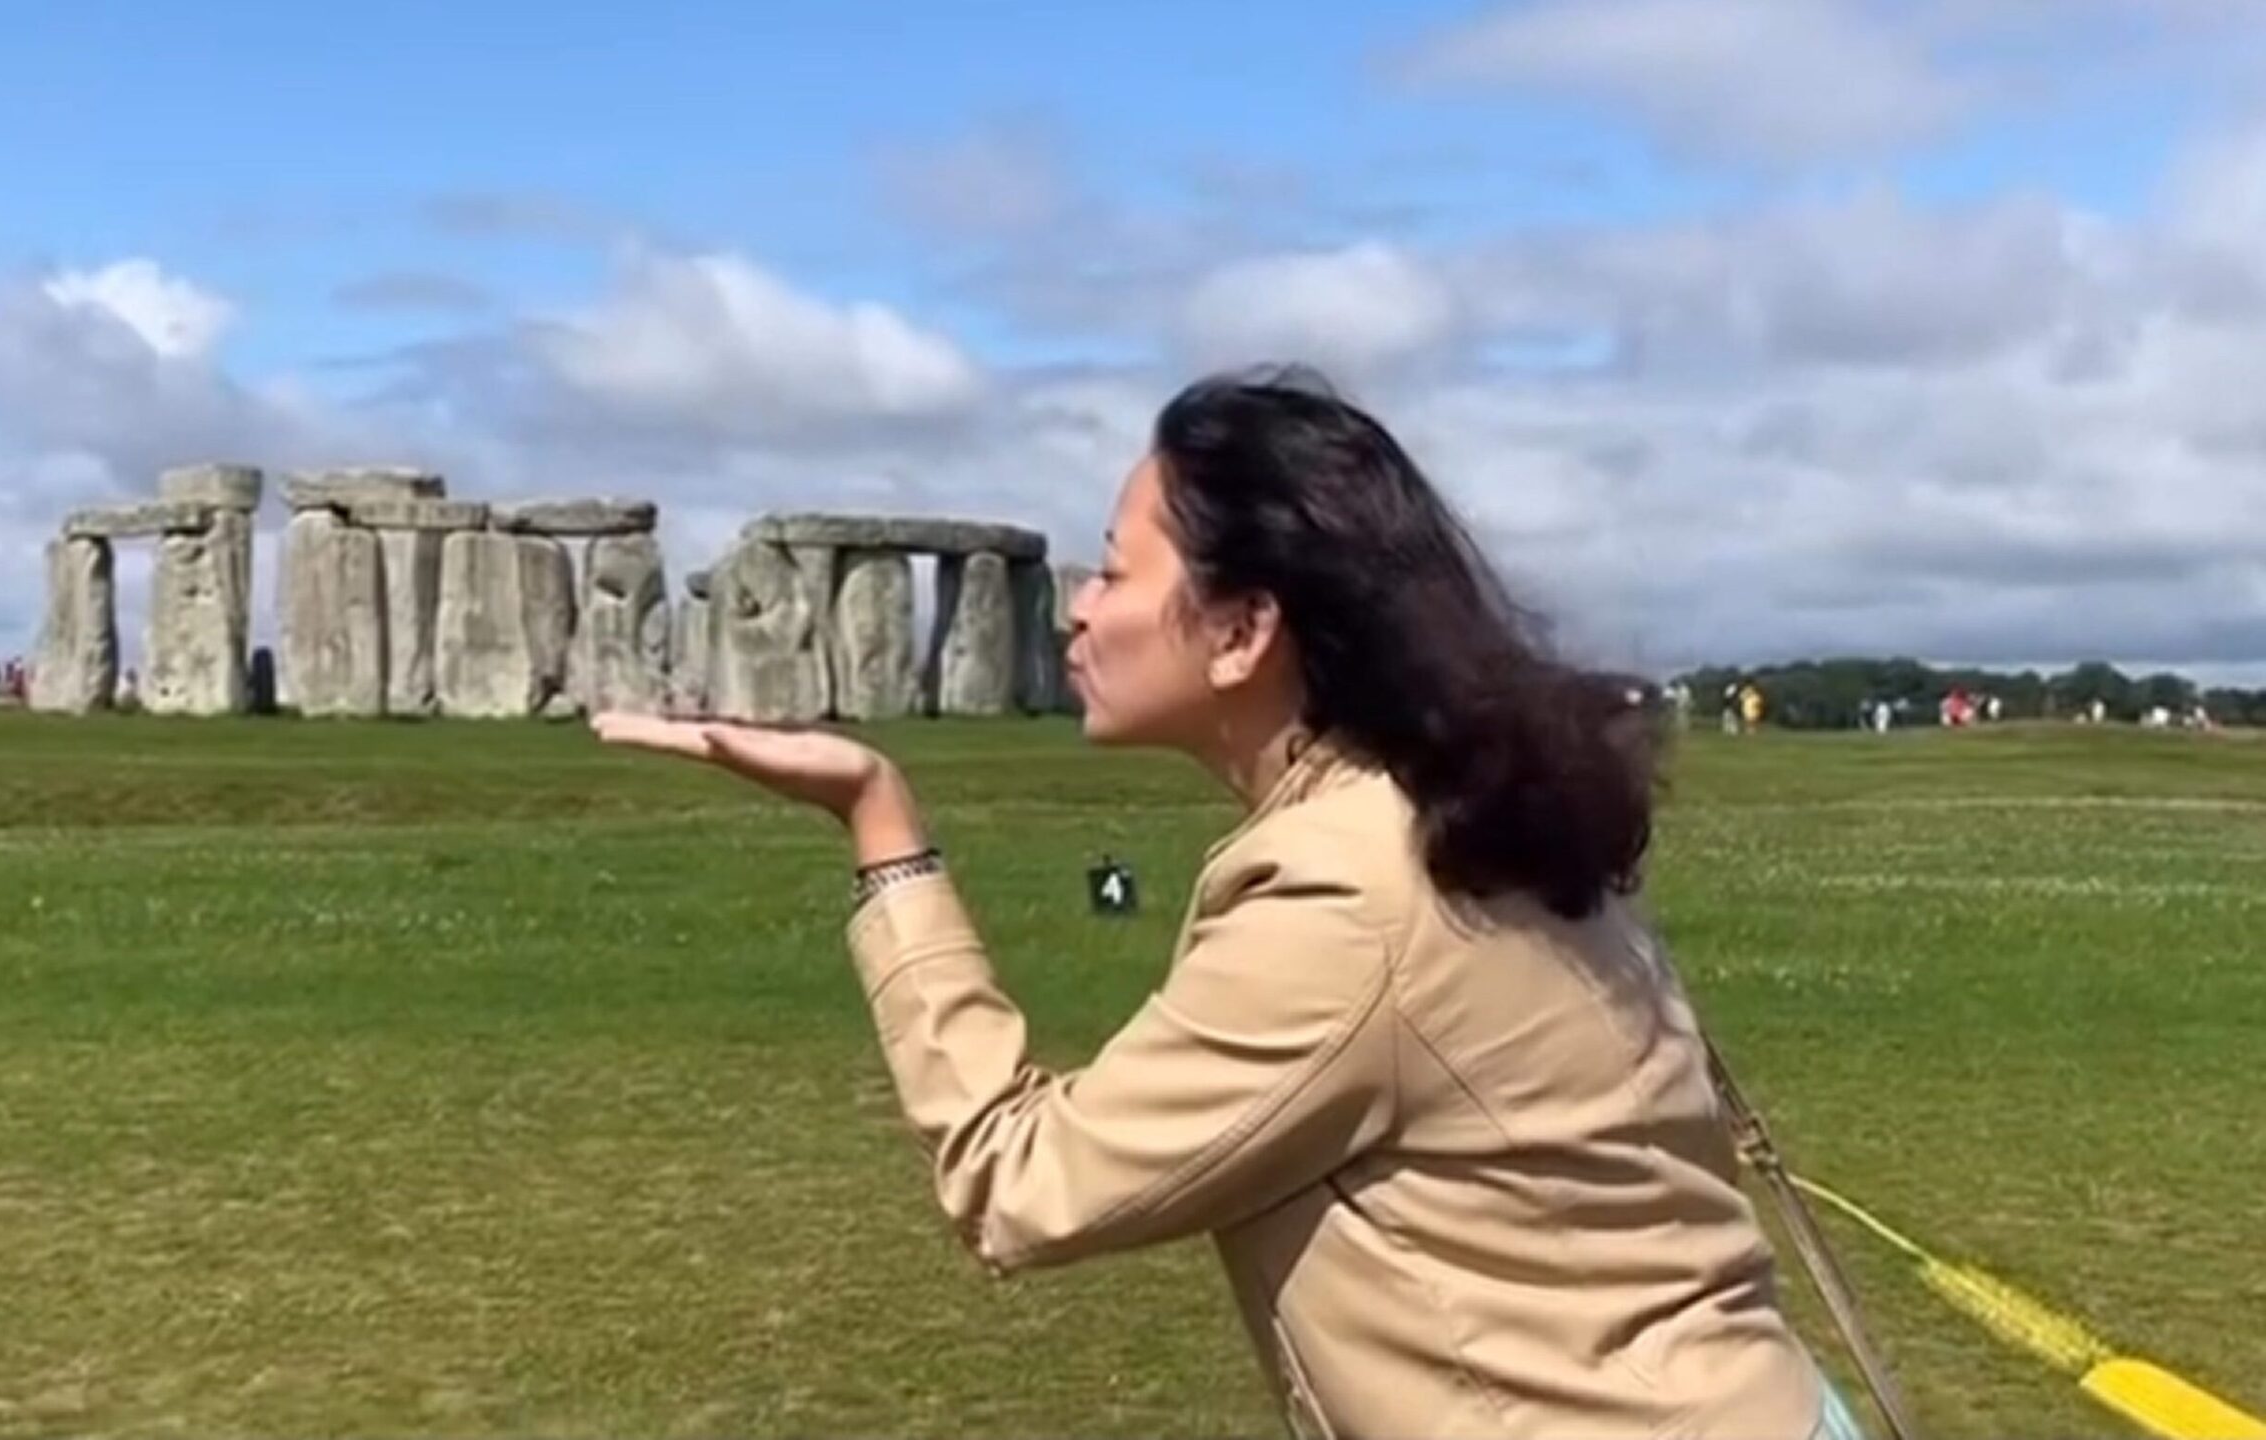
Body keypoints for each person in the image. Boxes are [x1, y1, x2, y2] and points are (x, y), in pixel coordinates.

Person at [595, 368, 1862, 1440]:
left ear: (1244, 626)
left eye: (1112, 568)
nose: (1078, 610)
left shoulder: (1343, 889)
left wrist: (883, 830)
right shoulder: (1464, 809)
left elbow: (1018, 1183)